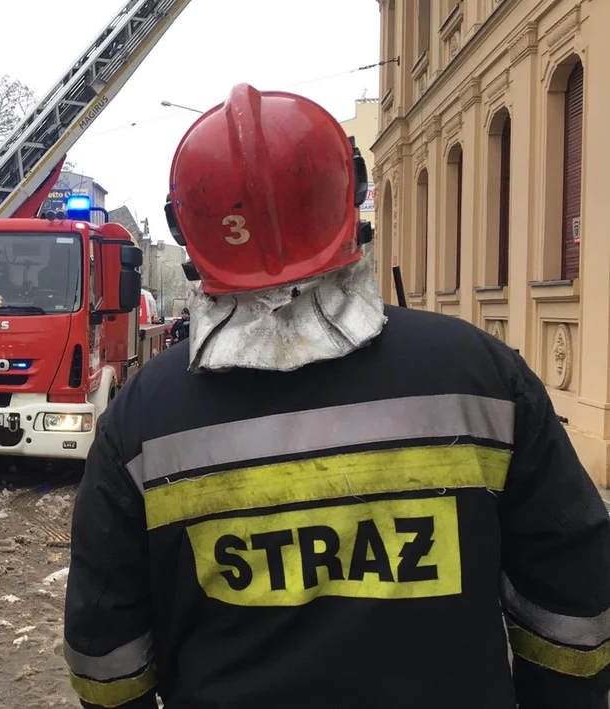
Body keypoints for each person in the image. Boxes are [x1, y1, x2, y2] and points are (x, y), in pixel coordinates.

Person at [62, 83, 610, 709]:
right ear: (352, 194)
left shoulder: (143, 416)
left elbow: (105, 655)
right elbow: (575, 600)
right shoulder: (482, 377)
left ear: (186, 229)